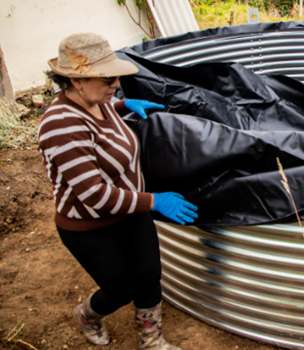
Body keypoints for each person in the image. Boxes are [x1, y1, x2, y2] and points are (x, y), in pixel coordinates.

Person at [38, 33, 198, 350]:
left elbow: (108, 104)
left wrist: (123, 104)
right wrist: (155, 200)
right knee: (121, 287)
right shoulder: (60, 125)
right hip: (90, 226)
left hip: (130, 211)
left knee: (149, 275)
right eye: (108, 78)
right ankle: (86, 315)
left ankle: (151, 340)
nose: (115, 84)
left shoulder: (99, 100)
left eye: (117, 79)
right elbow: (94, 195)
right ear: (76, 80)